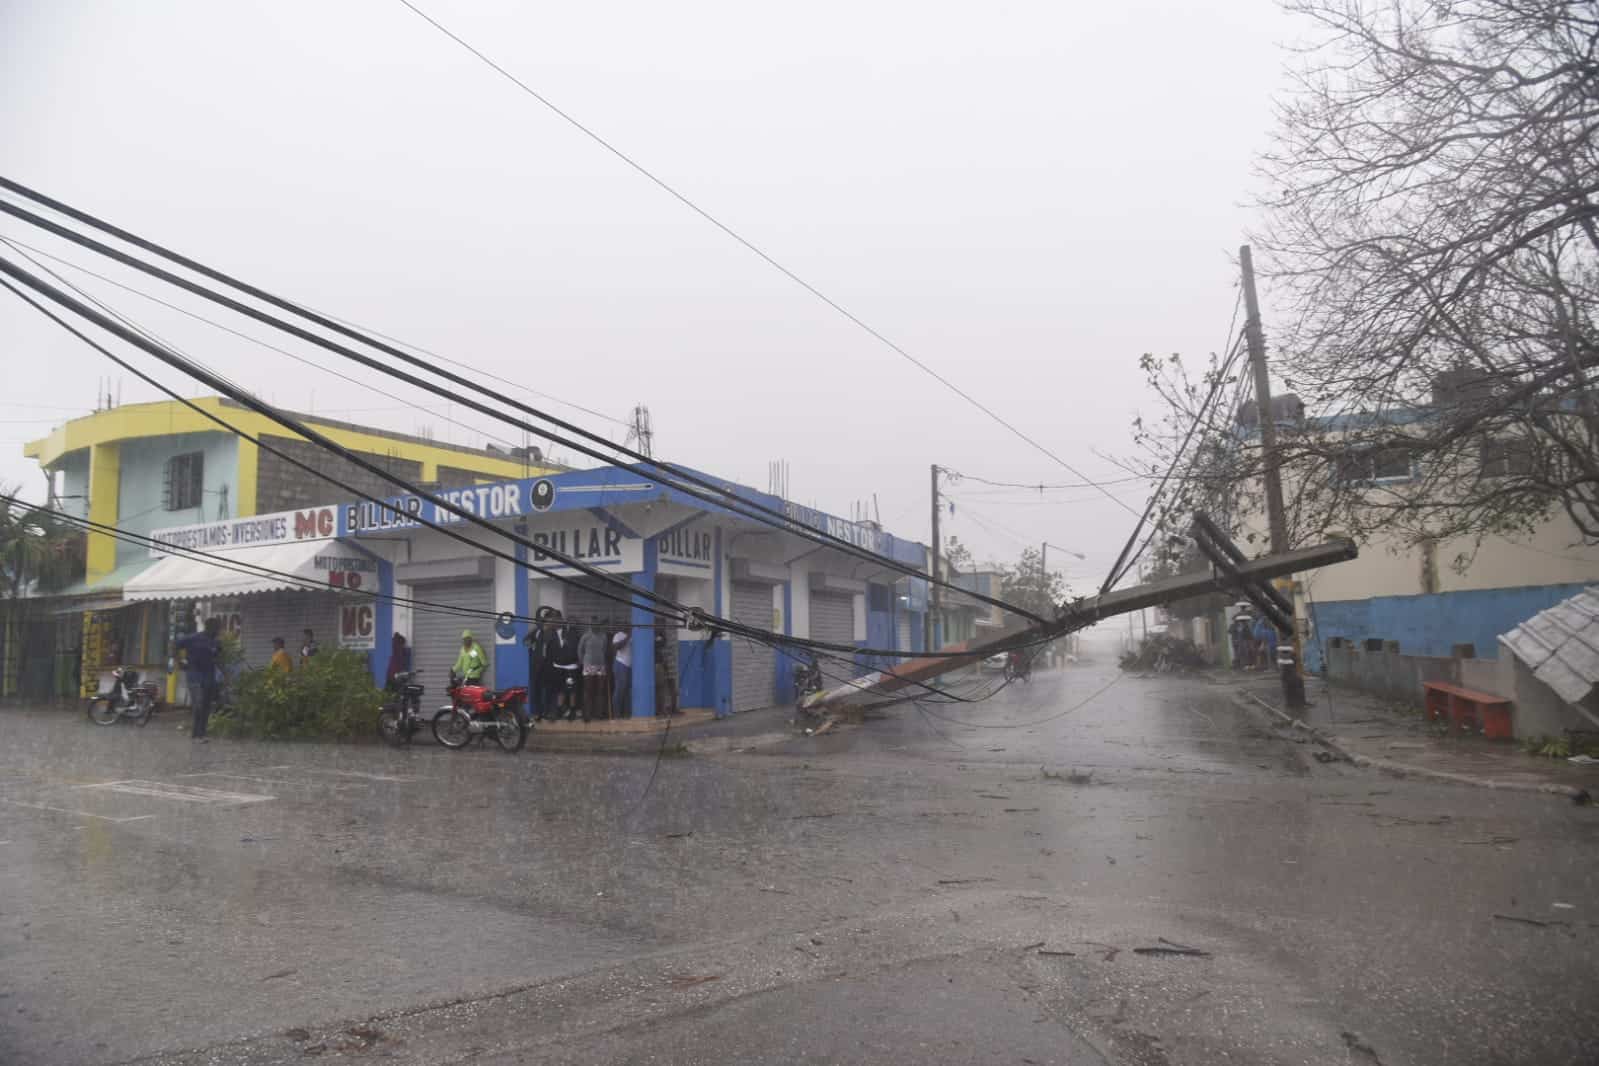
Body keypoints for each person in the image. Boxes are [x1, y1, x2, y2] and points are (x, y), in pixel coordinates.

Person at [177, 618, 223, 741]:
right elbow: (175, 645)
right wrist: (179, 661)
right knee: (198, 703)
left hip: (209, 677)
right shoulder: (192, 638)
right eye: (217, 628)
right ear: (209, 627)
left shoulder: (216, 642)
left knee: (206, 706)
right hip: (194, 676)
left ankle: (201, 734)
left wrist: (224, 674)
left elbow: (217, 658)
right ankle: (196, 734)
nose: (219, 631)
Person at [547, 621, 581, 720]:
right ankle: (559, 710)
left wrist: (578, 660)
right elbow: (550, 650)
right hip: (558, 667)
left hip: (570, 668)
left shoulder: (571, 633)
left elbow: (576, 648)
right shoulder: (551, 634)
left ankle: (572, 711)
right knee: (560, 690)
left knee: (571, 690)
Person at [578, 618, 608, 722]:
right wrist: (583, 662)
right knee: (588, 690)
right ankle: (587, 715)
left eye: (597, 624)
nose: (595, 626)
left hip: (601, 665)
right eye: (593, 624)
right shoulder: (585, 636)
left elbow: (604, 649)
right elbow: (580, 650)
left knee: (600, 690)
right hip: (588, 665)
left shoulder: (603, 636)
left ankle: (599, 714)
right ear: (590, 625)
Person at [654, 630, 680, 717]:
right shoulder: (660, 647)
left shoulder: (662, 646)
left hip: (667, 670)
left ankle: (670, 708)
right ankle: (664, 709)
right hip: (663, 669)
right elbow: (664, 660)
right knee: (663, 691)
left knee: (669, 690)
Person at [611, 627, 632, 719]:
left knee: (628, 691)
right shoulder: (618, 635)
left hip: (630, 666)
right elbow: (616, 647)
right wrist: (627, 637)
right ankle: (617, 713)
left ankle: (627, 713)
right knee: (620, 689)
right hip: (621, 663)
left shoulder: (634, 636)